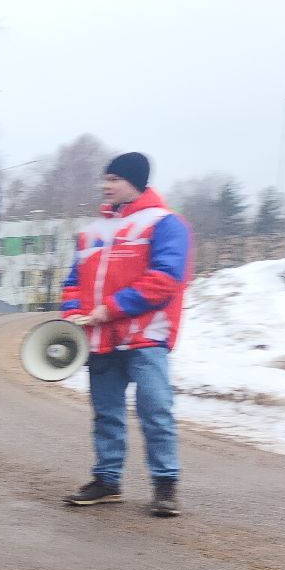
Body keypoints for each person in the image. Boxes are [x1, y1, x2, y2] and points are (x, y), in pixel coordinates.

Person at [60, 152, 192, 517]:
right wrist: (72, 313)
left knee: (156, 411)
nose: (105, 185)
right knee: (106, 414)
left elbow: (165, 279)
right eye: (104, 179)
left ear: (135, 181)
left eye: (113, 179)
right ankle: (107, 481)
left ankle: (165, 486)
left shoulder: (166, 224)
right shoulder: (91, 232)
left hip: (146, 337)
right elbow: (73, 282)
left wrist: (110, 309)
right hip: (100, 340)